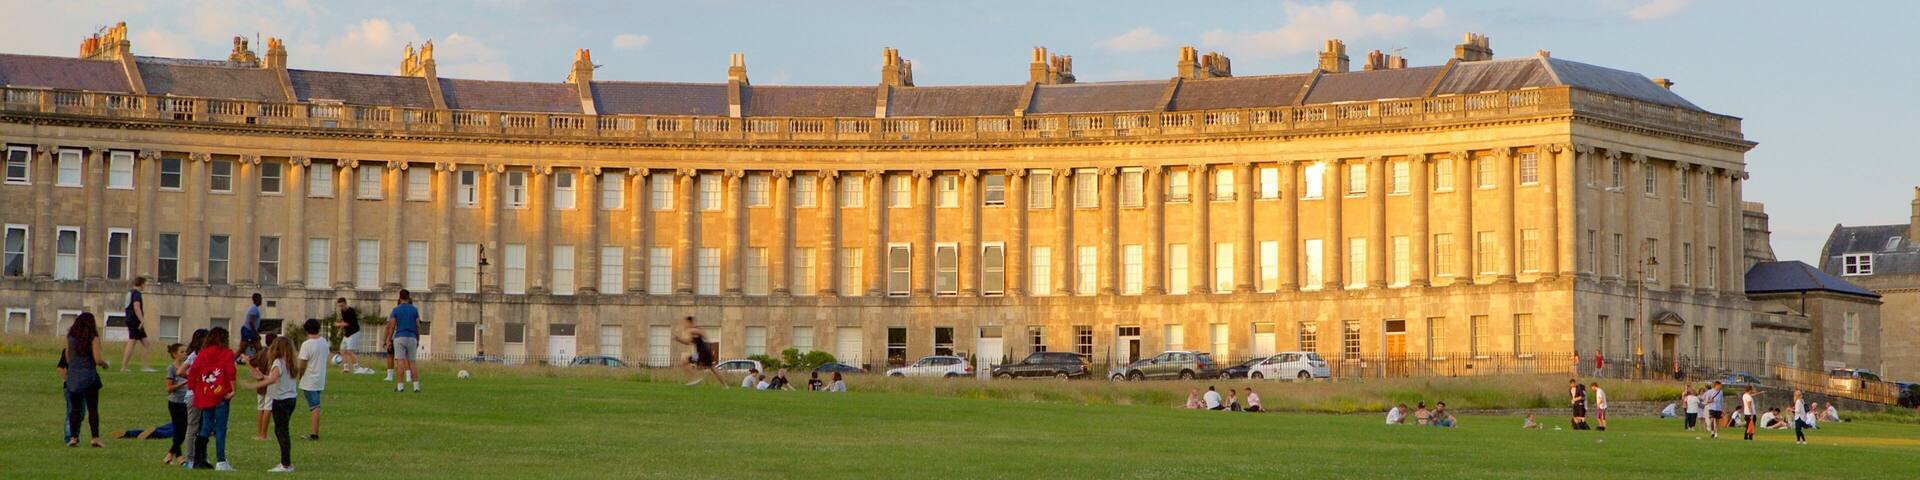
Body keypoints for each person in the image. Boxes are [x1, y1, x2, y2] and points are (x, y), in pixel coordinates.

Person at [242, 336, 300, 472]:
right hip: (291, 399)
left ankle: (286, 464)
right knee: (282, 430)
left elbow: (273, 380)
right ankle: (286, 463)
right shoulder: (290, 362)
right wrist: (263, 376)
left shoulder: (278, 362)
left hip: (281, 401)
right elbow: (276, 378)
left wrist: (253, 385)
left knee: (281, 432)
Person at [184, 327, 238, 471]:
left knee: (205, 426)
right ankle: (221, 461)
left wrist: (195, 389)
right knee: (220, 428)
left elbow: (193, 372)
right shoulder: (227, 353)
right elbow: (230, 371)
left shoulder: (202, 354)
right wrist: (233, 389)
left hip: (206, 394)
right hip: (221, 395)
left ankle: (198, 459)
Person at [64, 312, 109, 448]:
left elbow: (68, 357)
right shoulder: (93, 338)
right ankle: (95, 438)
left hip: (73, 377)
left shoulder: (71, 338)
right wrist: (104, 364)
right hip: (89, 376)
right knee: (92, 409)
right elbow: (97, 358)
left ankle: (73, 437)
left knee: (75, 409)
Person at [179, 329, 209, 470]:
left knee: (202, 427)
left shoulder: (198, 354)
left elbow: (182, 371)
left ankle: (200, 457)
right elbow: (180, 372)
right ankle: (191, 459)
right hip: (195, 395)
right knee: (193, 427)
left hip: (200, 395)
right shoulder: (197, 355)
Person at [296, 319, 330, 440]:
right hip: (320, 378)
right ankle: (314, 432)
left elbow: (302, 363)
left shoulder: (307, 345)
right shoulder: (324, 342)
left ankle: (314, 433)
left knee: (314, 407)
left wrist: (300, 376)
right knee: (315, 405)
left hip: (309, 380)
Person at [386, 289, 423, 393]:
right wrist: (418, 338)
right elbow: (418, 326)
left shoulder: (396, 310)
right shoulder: (414, 310)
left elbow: (392, 326)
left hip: (400, 337)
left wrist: (389, 339)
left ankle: (400, 386)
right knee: (412, 362)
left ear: (400, 297)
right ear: (408, 297)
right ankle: (416, 387)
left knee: (400, 362)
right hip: (412, 337)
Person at [675, 317, 725, 387]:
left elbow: (700, 335)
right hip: (701, 352)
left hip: (701, 352)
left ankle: (694, 379)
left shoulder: (691, 330)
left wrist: (705, 338)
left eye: (685, 323)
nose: (684, 325)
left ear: (689, 322)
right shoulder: (693, 330)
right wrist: (679, 339)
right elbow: (688, 342)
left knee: (684, 363)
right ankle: (725, 386)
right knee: (711, 368)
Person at [120, 277, 155, 372]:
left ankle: (128, 366)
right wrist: (142, 320)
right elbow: (136, 307)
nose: (145, 286)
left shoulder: (130, 293)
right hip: (135, 321)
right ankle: (129, 367)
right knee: (135, 342)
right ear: (142, 284)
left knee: (142, 343)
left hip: (130, 320)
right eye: (144, 284)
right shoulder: (137, 294)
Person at [163, 343, 190, 464]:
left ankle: (171, 455)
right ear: (175, 354)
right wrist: (183, 383)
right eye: (182, 352)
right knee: (179, 430)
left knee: (183, 430)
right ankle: (177, 456)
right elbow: (168, 388)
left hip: (187, 402)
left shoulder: (187, 367)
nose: (185, 354)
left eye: (186, 352)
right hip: (175, 403)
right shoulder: (171, 368)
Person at [333, 298, 363, 375]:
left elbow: (347, 323)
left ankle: (357, 368)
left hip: (354, 332)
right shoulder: (343, 311)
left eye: (342, 305)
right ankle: (346, 368)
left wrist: (338, 324)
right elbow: (344, 321)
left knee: (349, 351)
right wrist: (340, 331)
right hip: (347, 333)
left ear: (346, 303)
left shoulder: (351, 311)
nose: (341, 307)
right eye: (340, 306)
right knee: (342, 350)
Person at [242, 293, 264, 358]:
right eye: (260, 299)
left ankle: (256, 361)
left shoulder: (254, 308)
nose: (261, 300)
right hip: (249, 331)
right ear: (256, 299)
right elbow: (251, 322)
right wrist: (255, 333)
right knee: (259, 348)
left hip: (249, 331)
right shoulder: (254, 309)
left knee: (258, 348)